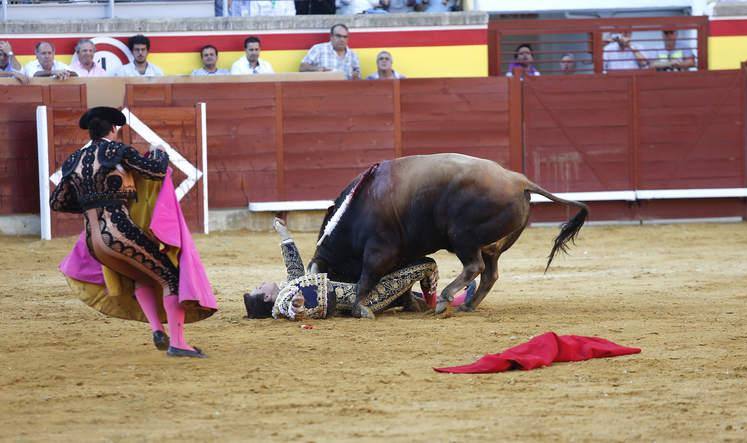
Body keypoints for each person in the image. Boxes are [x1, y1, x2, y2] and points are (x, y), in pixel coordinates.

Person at [50, 107, 214, 357]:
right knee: (170, 277)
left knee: (143, 275)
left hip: (95, 243)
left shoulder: (74, 160)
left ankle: (158, 331)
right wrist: (160, 153)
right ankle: (178, 343)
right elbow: (156, 171)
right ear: (113, 129)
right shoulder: (117, 150)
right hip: (119, 233)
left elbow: (57, 202)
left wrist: (90, 202)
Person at [243, 218, 476, 320]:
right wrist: (297, 308)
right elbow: (294, 312)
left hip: (355, 292)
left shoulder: (287, 288)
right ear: (265, 296)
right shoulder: (283, 302)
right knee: (427, 265)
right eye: (258, 288)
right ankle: (435, 303)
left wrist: (284, 235)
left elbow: (294, 267)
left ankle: (427, 301)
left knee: (397, 286)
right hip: (365, 298)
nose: (260, 283)